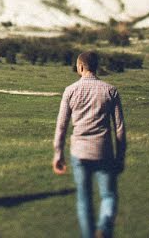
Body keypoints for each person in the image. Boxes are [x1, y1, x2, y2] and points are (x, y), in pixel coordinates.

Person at [53, 52, 127, 238]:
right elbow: (119, 129)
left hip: (79, 152)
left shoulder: (70, 91)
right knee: (109, 196)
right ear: (96, 67)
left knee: (84, 200)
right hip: (104, 151)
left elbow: (61, 126)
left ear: (80, 67)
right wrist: (120, 156)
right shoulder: (111, 90)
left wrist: (58, 153)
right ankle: (103, 228)